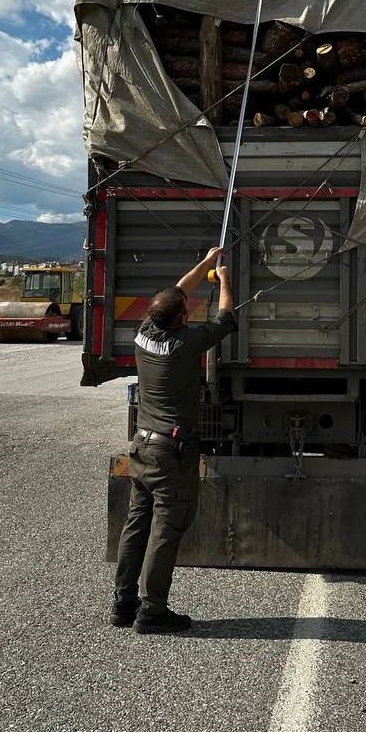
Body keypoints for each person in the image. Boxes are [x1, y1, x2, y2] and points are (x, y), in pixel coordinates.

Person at [109, 247, 237, 634]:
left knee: (136, 525)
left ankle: (123, 604)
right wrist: (225, 277)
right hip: (170, 453)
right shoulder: (186, 343)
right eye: (185, 310)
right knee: (165, 534)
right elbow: (227, 316)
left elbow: (176, 293)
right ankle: (153, 612)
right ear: (181, 318)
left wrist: (205, 262)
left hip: (142, 448)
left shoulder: (144, 333)